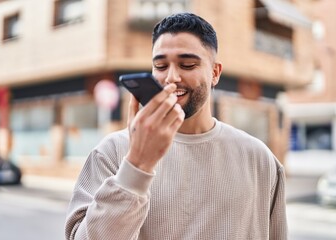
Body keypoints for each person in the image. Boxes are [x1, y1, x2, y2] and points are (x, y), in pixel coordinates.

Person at [65, 13, 288, 240]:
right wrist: (136, 166)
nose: (171, 78)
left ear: (215, 73)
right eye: (160, 66)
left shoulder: (260, 159)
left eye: (188, 65)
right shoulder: (112, 152)